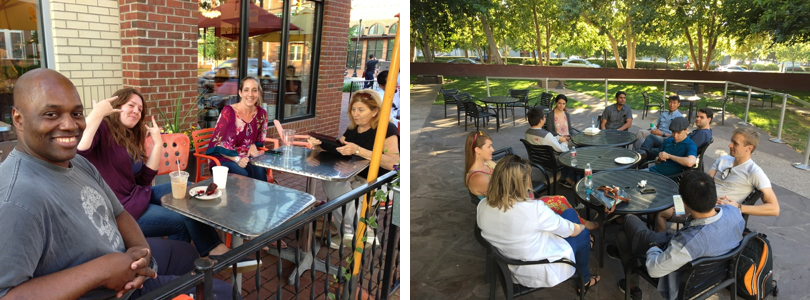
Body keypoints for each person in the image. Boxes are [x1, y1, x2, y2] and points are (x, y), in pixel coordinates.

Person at [0, 68, 237, 299]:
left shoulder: (79, 163)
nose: (70, 125)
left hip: (130, 230)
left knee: (187, 250)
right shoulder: (16, 197)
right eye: (51, 114)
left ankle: (208, 250)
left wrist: (142, 254)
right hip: (109, 289)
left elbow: (121, 211)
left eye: (76, 113)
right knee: (223, 292)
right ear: (18, 119)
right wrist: (102, 271)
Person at [77, 87, 230, 257]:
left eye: (140, 109)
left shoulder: (128, 136)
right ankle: (180, 261)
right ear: (117, 105)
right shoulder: (102, 128)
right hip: (122, 209)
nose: (136, 111)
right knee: (181, 221)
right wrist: (96, 114)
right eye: (131, 105)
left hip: (137, 194)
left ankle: (205, 250)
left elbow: (143, 180)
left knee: (187, 188)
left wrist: (158, 144)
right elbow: (78, 152)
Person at [607, 171, 744, 300]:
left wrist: (654, 246)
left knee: (628, 221)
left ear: (683, 202)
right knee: (623, 237)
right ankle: (630, 281)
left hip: (681, 274)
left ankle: (632, 283)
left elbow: (654, 269)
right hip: (715, 273)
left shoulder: (687, 244)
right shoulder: (734, 211)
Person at [477, 155, 599, 294]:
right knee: (582, 233)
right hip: (537, 268)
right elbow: (573, 231)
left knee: (570, 214)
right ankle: (585, 279)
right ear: (523, 182)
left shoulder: (483, 205)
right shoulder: (532, 209)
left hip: (510, 262)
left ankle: (585, 248)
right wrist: (583, 227)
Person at [306, 89, 400, 240]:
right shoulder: (352, 129)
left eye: (361, 110)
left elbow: (395, 164)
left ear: (375, 111)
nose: (355, 114)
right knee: (331, 182)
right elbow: (339, 148)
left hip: (377, 180)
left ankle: (350, 232)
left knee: (345, 198)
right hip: (353, 174)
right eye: (353, 109)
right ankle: (359, 232)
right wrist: (319, 146)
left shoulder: (386, 129)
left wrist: (359, 150)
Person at [206, 76, 269, 181]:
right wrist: (237, 159)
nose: (250, 94)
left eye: (254, 90)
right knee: (242, 174)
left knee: (259, 170)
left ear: (258, 93)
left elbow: (259, 141)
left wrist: (254, 146)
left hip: (247, 158)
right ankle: (244, 197)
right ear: (240, 93)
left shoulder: (262, 114)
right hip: (224, 158)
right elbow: (220, 145)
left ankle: (261, 197)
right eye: (246, 90)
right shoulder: (228, 112)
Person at [712, 128, 779, 215]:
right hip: (703, 202)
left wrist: (739, 207)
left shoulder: (754, 172)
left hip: (719, 213)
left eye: (735, 143)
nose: (730, 145)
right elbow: (706, 181)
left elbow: (774, 209)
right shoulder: (723, 159)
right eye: (731, 141)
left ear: (749, 148)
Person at [641, 108, 712, 167]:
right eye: (697, 116)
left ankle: (642, 170)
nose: (697, 119)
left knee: (643, 154)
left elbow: (685, 149)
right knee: (651, 137)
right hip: (670, 143)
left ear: (709, 119)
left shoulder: (703, 133)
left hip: (671, 150)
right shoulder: (701, 130)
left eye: (701, 117)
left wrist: (669, 152)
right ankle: (643, 151)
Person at [525, 107, 576, 188]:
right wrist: (565, 142)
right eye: (544, 117)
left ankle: (566, 177)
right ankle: (569, 179)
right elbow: (561, 149)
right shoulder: (546, 135)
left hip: (538, 159)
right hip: (552, 161)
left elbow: (545, 141)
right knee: (571, 152)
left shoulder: (527, 133)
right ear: (541, 120)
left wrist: (558, 138)